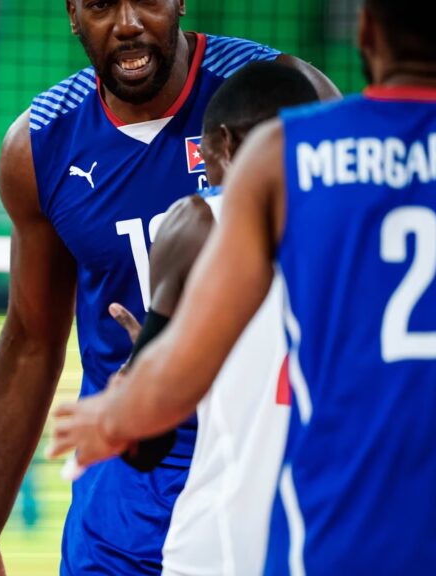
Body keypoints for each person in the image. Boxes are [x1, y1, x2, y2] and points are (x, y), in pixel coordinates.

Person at [48, 0, 436, 573]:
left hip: (335, 517)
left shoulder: (282, 158)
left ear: (368, 29)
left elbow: (180, 371)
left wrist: (121, 408)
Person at [0, 1, 339, 574]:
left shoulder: (278, 94)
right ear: (73, 13)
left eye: (148, 0)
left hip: (259, 449)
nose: (128, 22)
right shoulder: (39, 144)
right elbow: (32, 341)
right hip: (126, 471)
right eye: (103, 4)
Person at [90, 61, 320, 576]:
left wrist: (143, 370)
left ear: (225, 146)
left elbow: (146, 446)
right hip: (333, 538)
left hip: (221, 549)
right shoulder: (362, 231)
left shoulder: (197, 219)